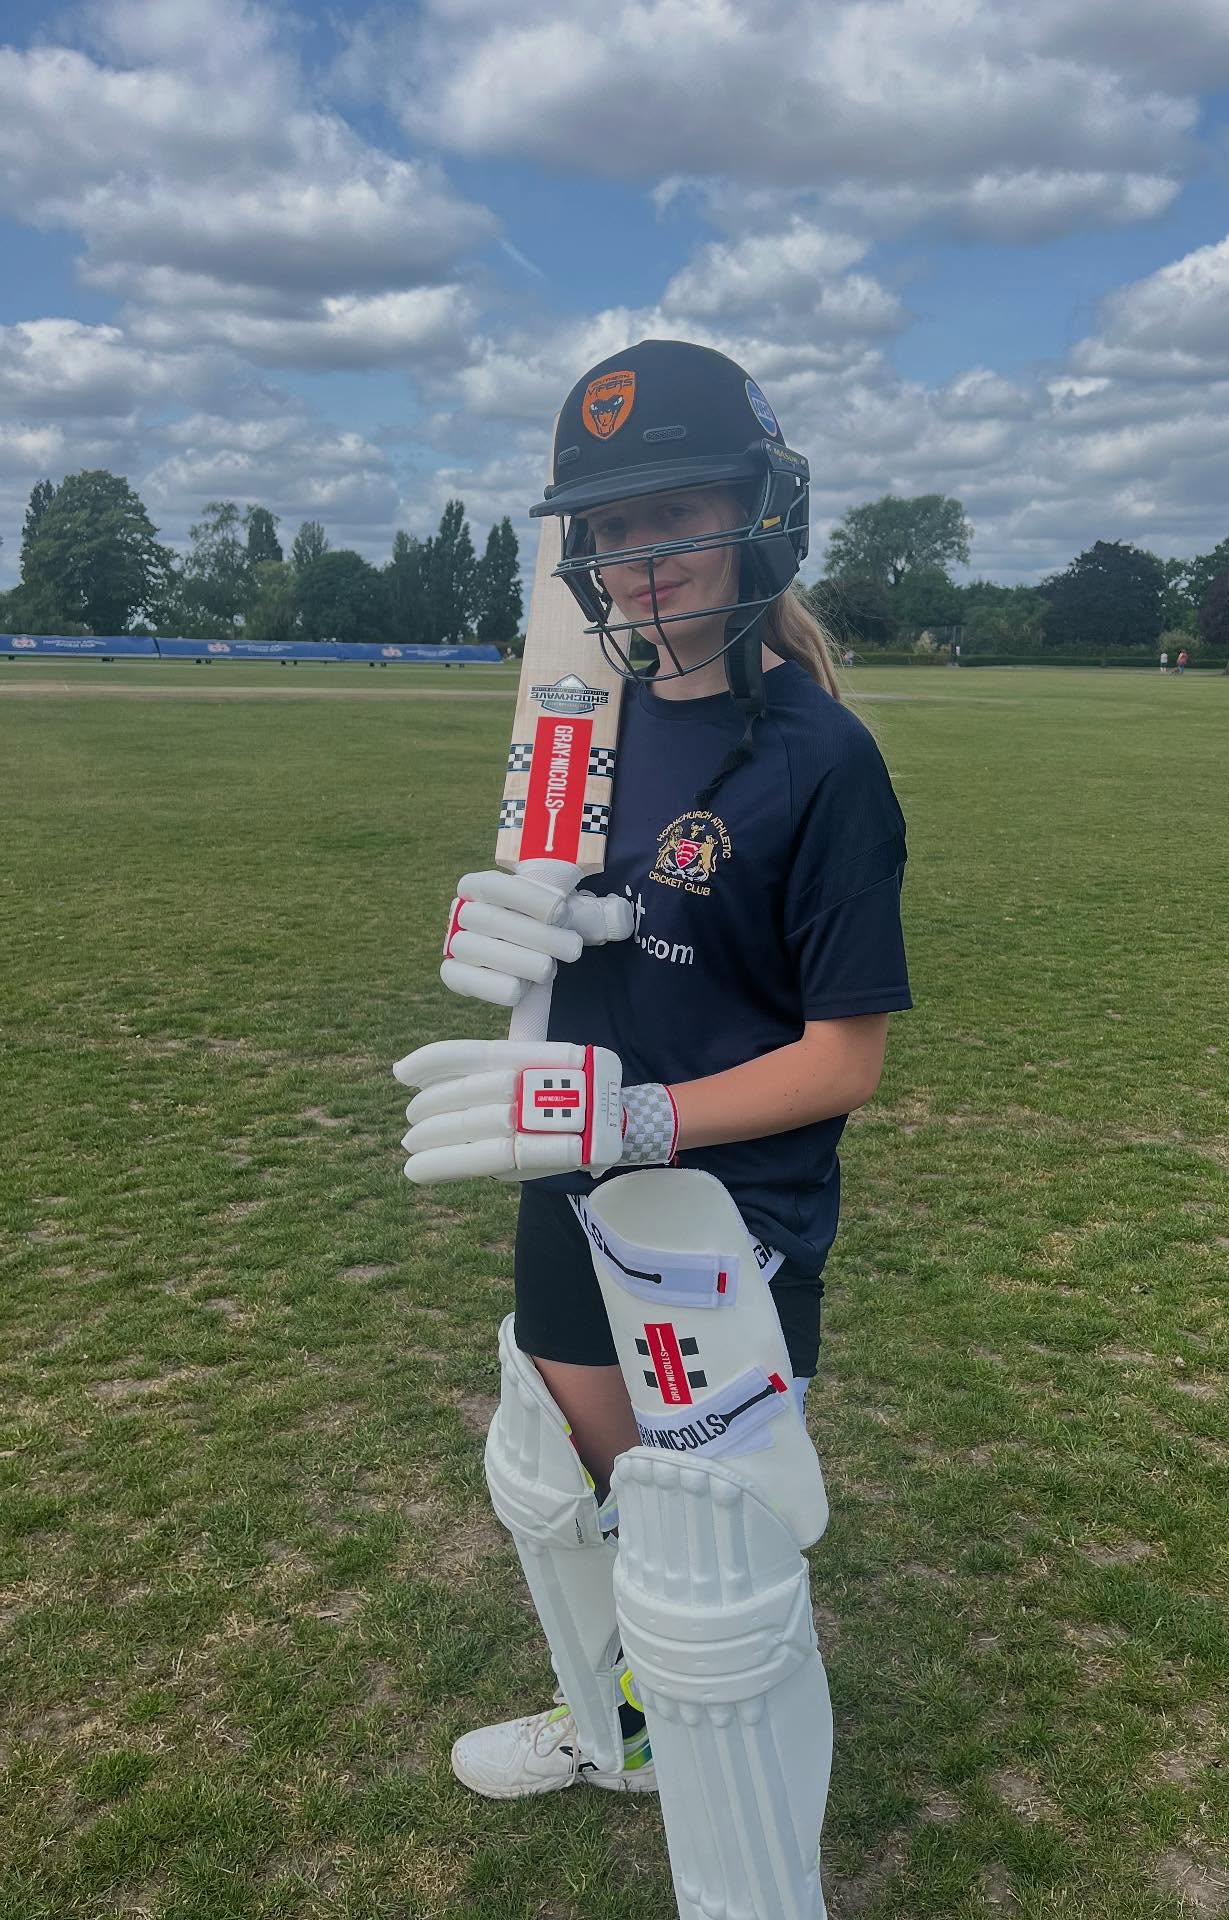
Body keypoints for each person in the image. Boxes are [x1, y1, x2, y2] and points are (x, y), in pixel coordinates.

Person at [392, 341, 911, 1878]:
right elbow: (564, 915)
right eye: (612, 531)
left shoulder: (824, 760)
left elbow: (843, 1061)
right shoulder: (585, 719)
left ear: (759, 521)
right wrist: (499, 924)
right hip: (567, 1162)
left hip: (717, 1211)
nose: (641, 560)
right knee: (552, 1464)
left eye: (674, 516)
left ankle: (756, 1882)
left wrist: (638, 1124)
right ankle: (614, 1728)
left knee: (708, 1550)